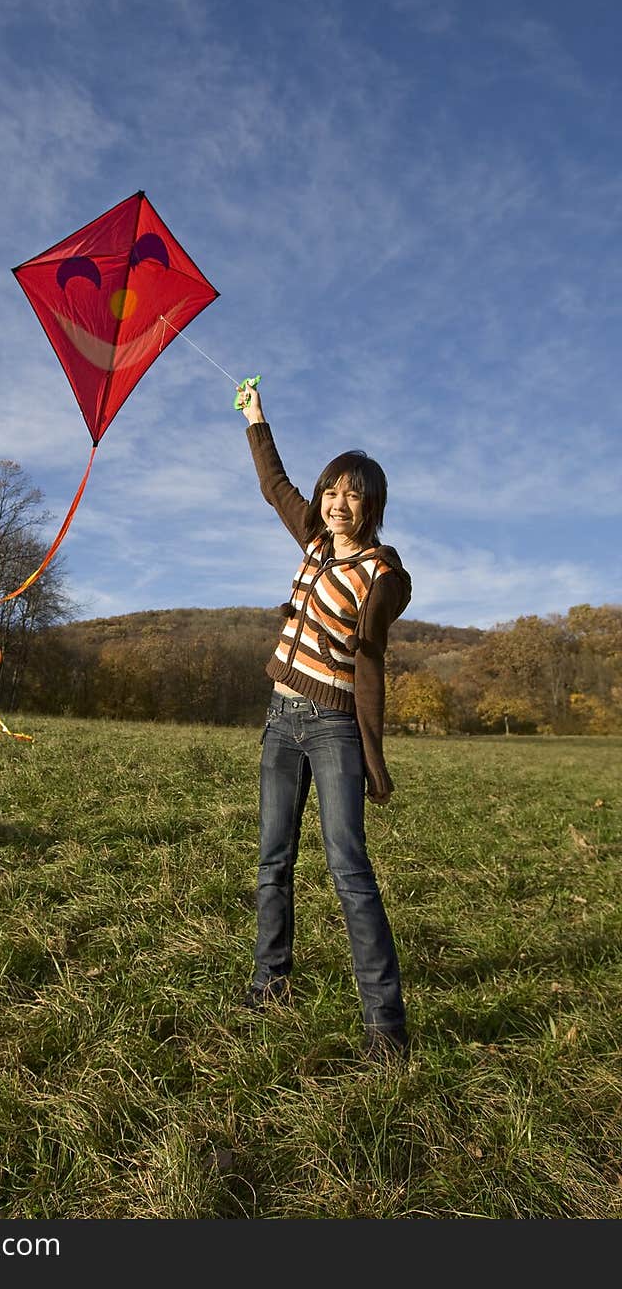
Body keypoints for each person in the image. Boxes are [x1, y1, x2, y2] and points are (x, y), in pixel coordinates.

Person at [238, 382, 412, 1057]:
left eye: (352, 494)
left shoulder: (378, 573)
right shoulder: (312, 541)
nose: (337, 505)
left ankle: (385, 1025)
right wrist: (256, 419)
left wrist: (374, 757)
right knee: (272, 860)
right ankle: (270, 984)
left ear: (372, 504)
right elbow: (274, 484)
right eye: (330, 491)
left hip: (334, 728)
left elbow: (371, 662)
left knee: (348, 868)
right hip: (281, 721)